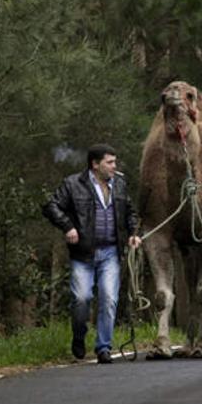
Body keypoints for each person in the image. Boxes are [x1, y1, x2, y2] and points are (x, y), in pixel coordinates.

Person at [42, 144, 141, 364]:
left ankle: (103, 347)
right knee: (81, 298)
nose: (114, 166)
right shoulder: (73, 184)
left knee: (109, 298)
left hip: (110, 253)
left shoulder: (120, 185)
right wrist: (68, 226)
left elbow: (130, 213)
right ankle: (79, 336)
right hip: (83, 254)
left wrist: (133, 233)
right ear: (95, 164)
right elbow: (51, 206)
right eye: (110, 162)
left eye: (115, 162)